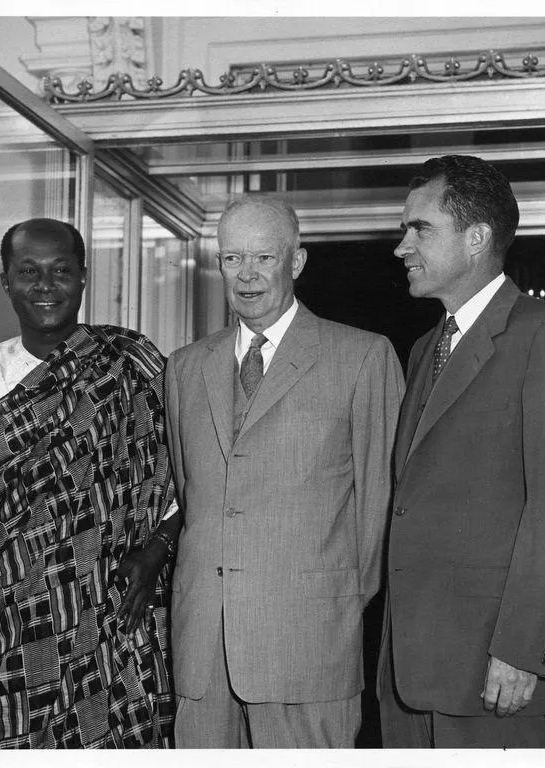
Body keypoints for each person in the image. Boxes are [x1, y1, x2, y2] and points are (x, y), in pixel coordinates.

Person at [0, 218, 179, 748]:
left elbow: (188, 477)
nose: (46, 286)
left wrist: (156, 550)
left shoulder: (133, 367)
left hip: (108, 622)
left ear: (85, 277)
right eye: (29, 272)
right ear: (6, 283)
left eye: (61, 270)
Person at [379, 155, 545, 749]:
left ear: (476, 238)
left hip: (492, 676)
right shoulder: (427, 346)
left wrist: (521, 651)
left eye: (419, 228)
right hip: (409, 677)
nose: (402, 246)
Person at [164, 196, 403, 748]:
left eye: (263, 258)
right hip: (204, 648)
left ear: (296, 262)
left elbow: (378, 507)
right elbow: (193, 495)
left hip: (307, 644)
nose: (246, 275)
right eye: (231, 259)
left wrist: (330, 604)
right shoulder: (185, 367)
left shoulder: (362, 357)